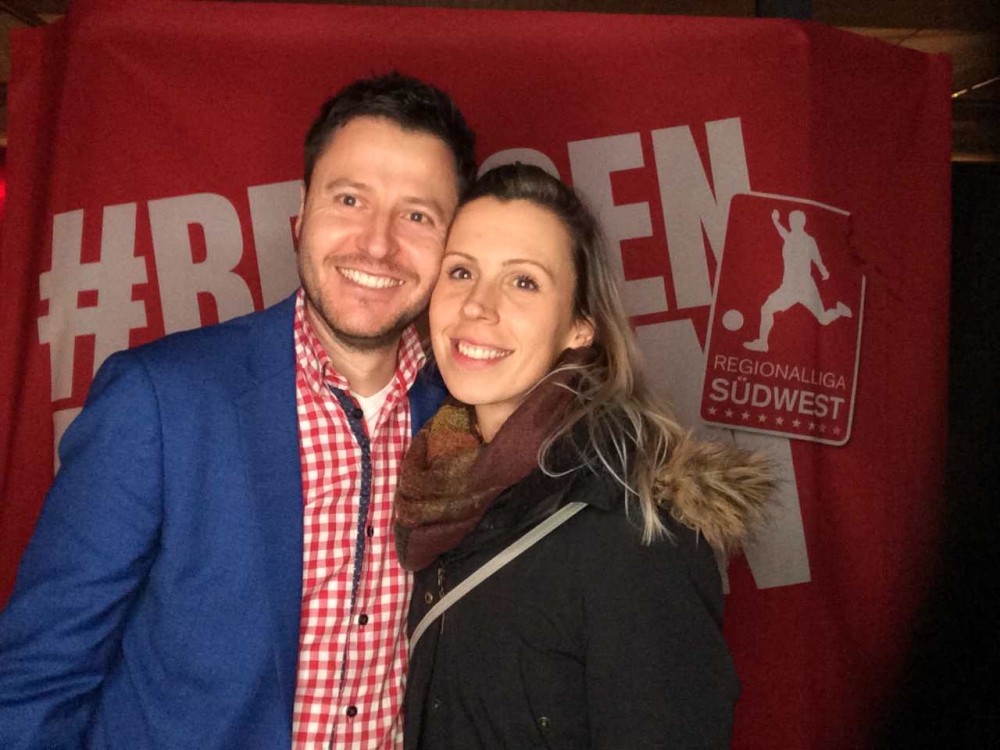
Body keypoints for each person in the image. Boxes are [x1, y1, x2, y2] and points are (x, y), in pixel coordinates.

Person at [0, 73, 475, 750]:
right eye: (350, 199)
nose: (377, 244)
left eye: (418, 216)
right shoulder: (156, 400)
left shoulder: (467, 418)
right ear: (302, 212)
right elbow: (36, 681)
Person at [394, 163, 773, 749]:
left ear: (579, 326)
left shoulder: (634, 530)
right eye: (461, 271)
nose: (477, 306)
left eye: (524, 282)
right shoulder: (440, 485)